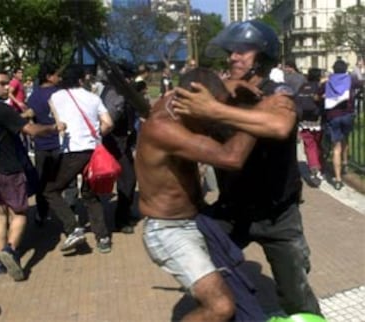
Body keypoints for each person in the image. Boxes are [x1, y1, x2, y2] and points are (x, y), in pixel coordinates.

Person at [172, 20, 322, 316]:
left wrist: (214, 111)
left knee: (296, 296)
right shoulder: (225, 93)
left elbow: (280, 126)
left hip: (278, 214)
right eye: (231, 51)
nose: (233, 57)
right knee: (204, 275)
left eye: (243, 51)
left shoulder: (278, 91)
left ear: (262, 58)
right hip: (232, 210)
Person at [136, 67, 280, 321]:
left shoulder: (179, 101)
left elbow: (206, 83)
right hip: (168, 230)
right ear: (190, 99)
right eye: (209, 112)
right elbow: (231, 157)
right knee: (220, 307)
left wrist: (230, 85)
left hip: (197, 219)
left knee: (238, 294)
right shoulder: (163, 127)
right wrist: (256, 114)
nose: (215, 118)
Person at [0, 68, 66, 281]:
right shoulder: (0, 109)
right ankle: (11, 250)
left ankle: (0, 258)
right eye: (3, 84)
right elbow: (30, 130)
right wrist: (53, 127)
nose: (9, 87)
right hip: (8, 167)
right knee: (20, 212)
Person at [46, 64, 114, 253]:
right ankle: (103, 237)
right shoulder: (93, 98)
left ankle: (73, 227)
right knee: (91, 195)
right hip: (93, 150)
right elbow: (108, 123)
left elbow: (57, 119)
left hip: (72, 150)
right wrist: (97, 134)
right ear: (81, 79)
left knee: (50, 190)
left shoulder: (56, 97)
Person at [99, 69, 138, 234]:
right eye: (127, 77)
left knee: (129, 179)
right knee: (127, 180)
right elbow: (111, 118)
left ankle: (125, 213)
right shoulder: (114, 93)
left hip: (123, 141)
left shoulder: (117, 91)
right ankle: (120, 220)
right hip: (115, 142)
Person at [26, 62, 62, 224]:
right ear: (49, 76)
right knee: (64, 180)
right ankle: (67, 212)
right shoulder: (60, 94)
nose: (59, 78)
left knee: (42, 180)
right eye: (56, 75)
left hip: (41, 144)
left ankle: (42, 213)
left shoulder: (34, 96)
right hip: (59, 143)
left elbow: (31, 118)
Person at [320, 59, 358, 190]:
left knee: (336, 147)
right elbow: (361, 83)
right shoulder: (350, 80)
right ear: (345, 69)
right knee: (345, 138)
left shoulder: (328, 81)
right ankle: (346, 163)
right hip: (347, 114)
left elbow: (319, 94)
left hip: (333, 116)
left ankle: (337, 180)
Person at [295, 68, 324, 187]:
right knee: (319, 144)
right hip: (319, 121)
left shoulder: (302, 88)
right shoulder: (320, 88)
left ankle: (314, 168)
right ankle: (320, 166)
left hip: (304, 122)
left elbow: (297, 103)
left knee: (310, 146)